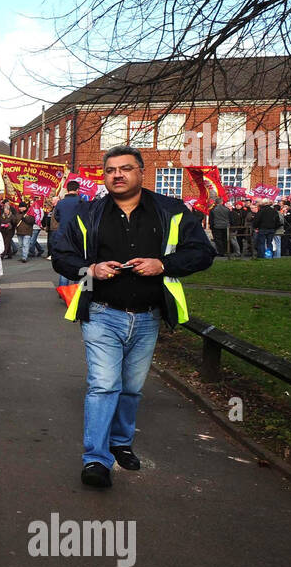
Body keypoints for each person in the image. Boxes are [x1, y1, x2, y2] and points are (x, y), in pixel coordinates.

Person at [50, 145, 215, 489]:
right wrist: (89, 268)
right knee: (104, 385)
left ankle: (120, 443)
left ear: (141, 172)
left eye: (125, 169)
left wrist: (164, 265)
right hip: (101, 314)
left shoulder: (170, 211)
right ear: (105, 176)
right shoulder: (88, 213)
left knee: (131, 389)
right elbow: (61, 253)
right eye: (111, 170)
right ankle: (96, 459)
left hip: (147, 316)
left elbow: (202, 252)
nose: (118, 175)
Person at [12, 197, 36, 262]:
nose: (20, 208)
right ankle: (24, 255)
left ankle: (24, 257)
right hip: (19, 232)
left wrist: (25, 218)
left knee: (25, 244)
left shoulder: (29, 213)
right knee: (21, 245)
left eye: (22, 207)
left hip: (27, 232)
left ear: (25, 207)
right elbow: (14, 222)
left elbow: (32, 221)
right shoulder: (17, 214)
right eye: (19, 207)